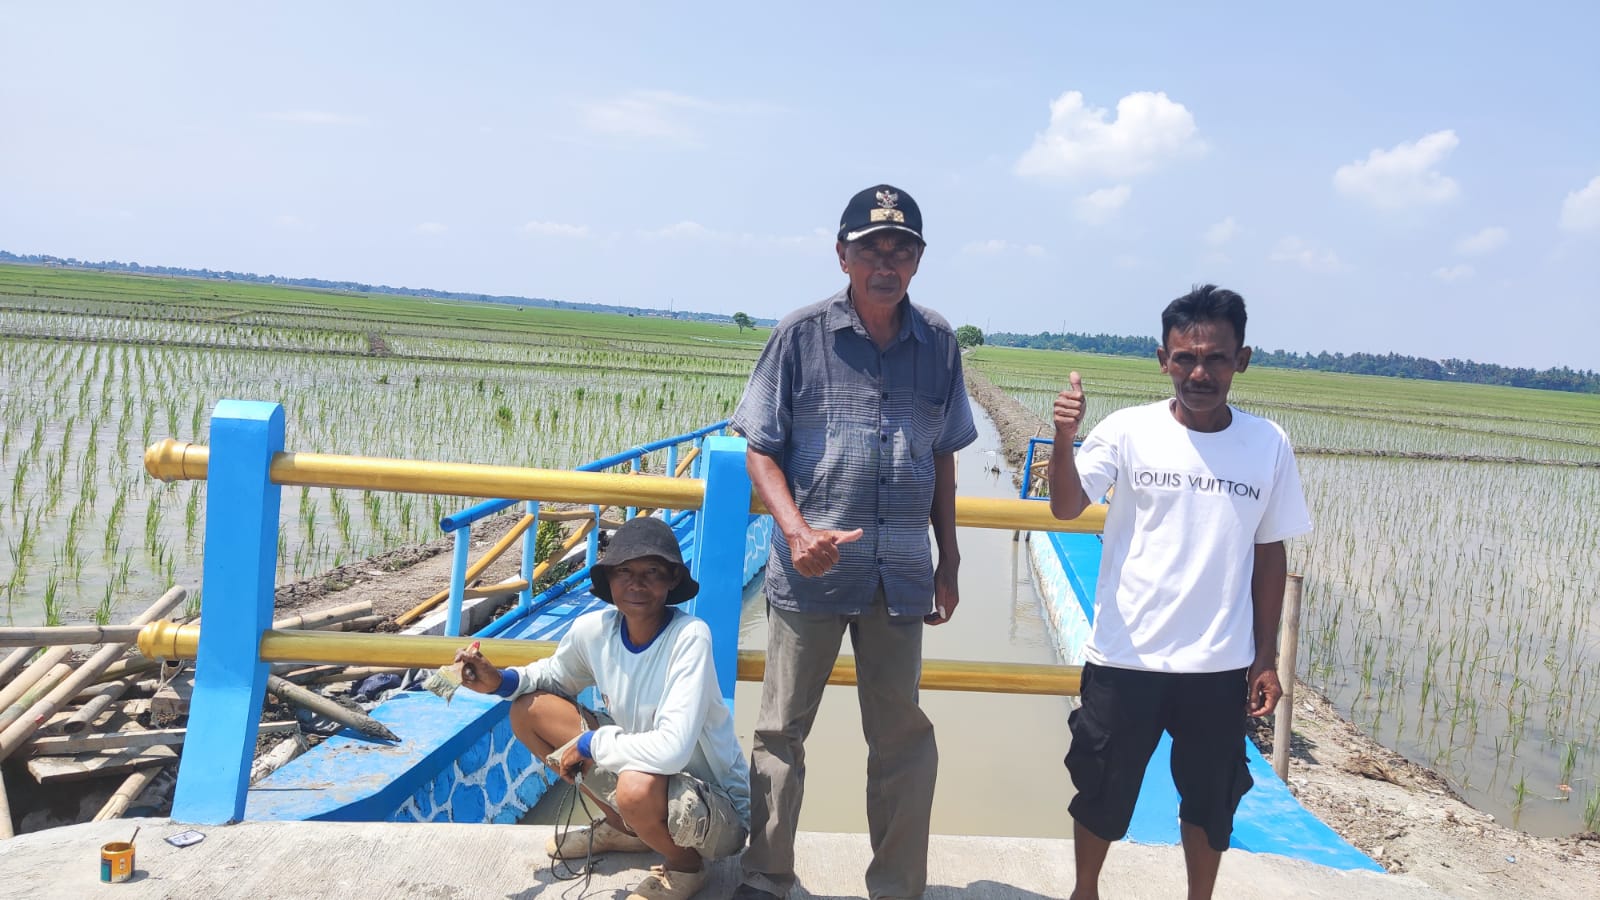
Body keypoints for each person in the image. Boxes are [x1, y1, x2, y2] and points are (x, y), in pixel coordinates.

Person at [728, 184, 977, 899]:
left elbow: (943, 459)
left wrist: (950, 560)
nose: (886, 262)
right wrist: (796, 531)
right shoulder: (800, 335)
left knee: (900, 739)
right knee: (781, 730)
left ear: (919, 262)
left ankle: (897, 887)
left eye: (902, 249)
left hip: (901, 574)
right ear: (843, 255)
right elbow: (761, 449)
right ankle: (767, 875)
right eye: (871, 248)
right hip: (810, 573)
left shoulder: (939, 344)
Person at [1047, 284, 1312, 900]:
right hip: (1125, 656)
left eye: (1216, 358)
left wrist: (1264, 657)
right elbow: (1064, 505)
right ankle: (1085, 891)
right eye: (1185, 357)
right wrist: (1065, 436)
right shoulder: (1128, 430)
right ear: (1163, 359)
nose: (1200, 372)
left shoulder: (1268, 443)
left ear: (1241, 360)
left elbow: (1269, 554)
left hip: (1218, 665)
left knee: (1212, 798)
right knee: (1101, 788)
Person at [453, 515, 750, 900]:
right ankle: (627, 829)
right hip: (645, 775)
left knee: (636, 786)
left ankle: (685, 867)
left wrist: (591, 743)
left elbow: (672, 749)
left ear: (672, 580)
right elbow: (554, 676)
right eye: (624, 571)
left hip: (714, 806)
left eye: (653, 571)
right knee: (528, 711)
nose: (637, 583)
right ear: (608, 579)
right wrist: (499, 681)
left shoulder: (689, 636)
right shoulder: (593, 631)